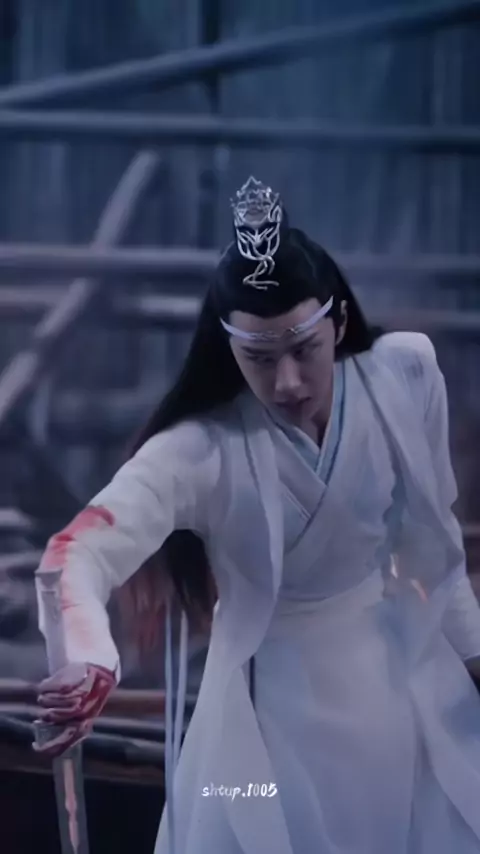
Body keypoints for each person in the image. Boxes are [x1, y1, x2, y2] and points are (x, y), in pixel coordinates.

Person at [34, 176, 480, 854]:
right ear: (229, 349)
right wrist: (89, 659)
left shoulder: (403, 375)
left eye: (305, 349)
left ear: (337, 323)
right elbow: (80, 549)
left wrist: (473, 651)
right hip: (269, 714)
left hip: (396, 686)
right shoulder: (201, 450)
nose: (288, 382)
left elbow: (434, 545)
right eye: (260, 359)